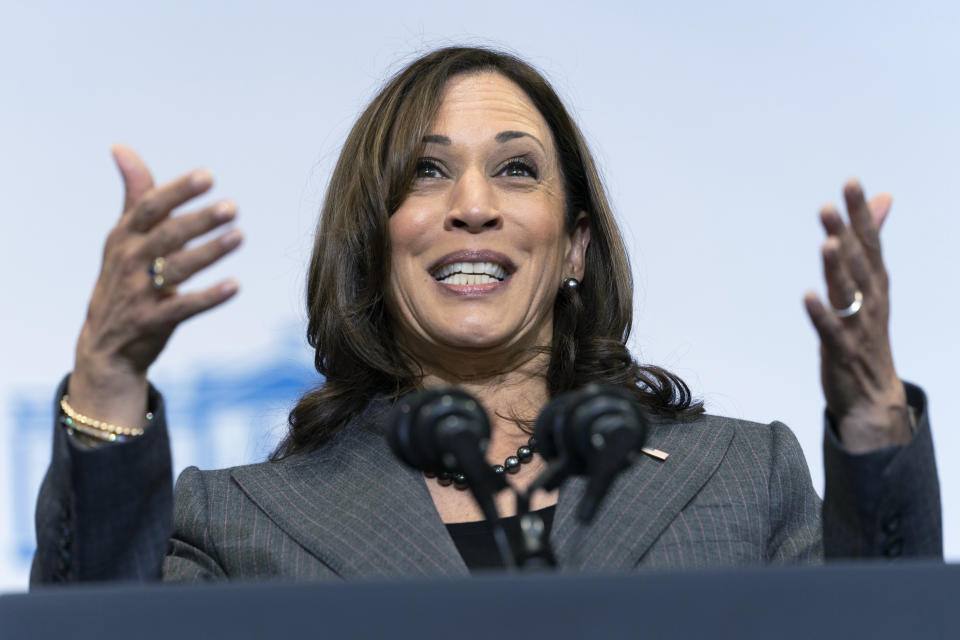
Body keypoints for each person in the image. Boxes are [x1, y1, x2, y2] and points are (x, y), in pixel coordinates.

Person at [32, 47, 940, 584]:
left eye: (516, 169)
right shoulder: (234, 524)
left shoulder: (750, 479)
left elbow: (885, 633)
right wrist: (110, 375)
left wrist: (871, 422)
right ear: (375, 243)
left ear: (574, 245)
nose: (474, 204)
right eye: (426, 171)